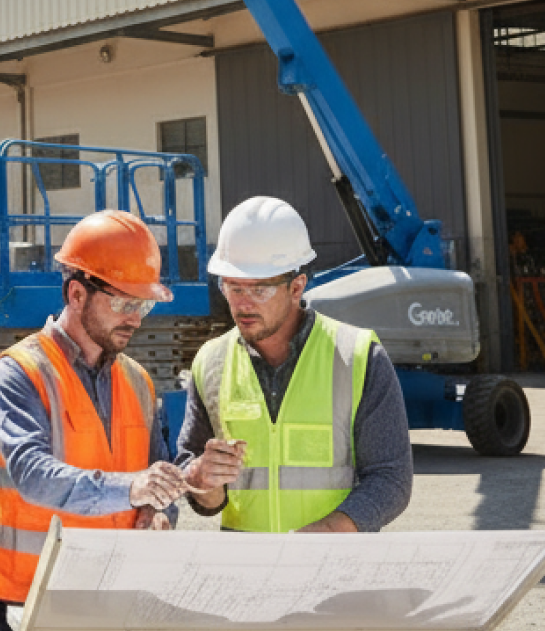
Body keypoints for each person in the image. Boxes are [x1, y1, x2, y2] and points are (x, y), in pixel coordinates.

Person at [0, 210, 190, 631]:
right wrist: (132, 488)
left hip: (117, 598)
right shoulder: (19, 372)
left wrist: (162, 513)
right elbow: (33, 477)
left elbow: (157, 483)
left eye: (142, 304)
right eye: (124, 302)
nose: (136, 318)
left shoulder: (138, 381)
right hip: (33, 601)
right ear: (76, 295)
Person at [177, 196, 413, 533]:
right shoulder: (210, 361)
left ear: (296, 287)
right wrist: (203, 481)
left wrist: (328, 532)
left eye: (259, 290)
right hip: (245, 573)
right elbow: (194, 474)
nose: (243, 303)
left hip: (333, 569)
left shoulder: (358, 356)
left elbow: (391, 479)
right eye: (233, 287)